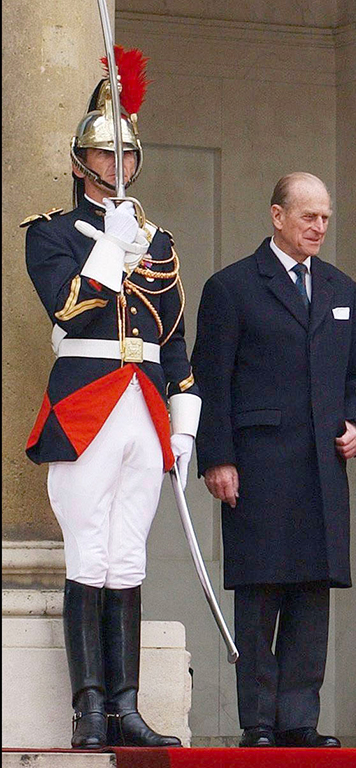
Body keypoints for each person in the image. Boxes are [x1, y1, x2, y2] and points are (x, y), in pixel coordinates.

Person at [23, 50, 198, 748]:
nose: (117, 165)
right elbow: (69, 308)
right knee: (87, 555)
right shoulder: (51, 234)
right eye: (104, 154)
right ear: (80, 163)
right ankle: (88, 709)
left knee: (128, 557)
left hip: (145, 407)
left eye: (125, 154)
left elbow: (175, 342)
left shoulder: (160, 243)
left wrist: (184, 424)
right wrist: (109, 247)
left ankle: (125, 707)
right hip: (87, 404)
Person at [191, 172, 356, 749]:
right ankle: (259, 723)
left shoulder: (342, 289)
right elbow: (210, 381)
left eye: (325, 217)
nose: (319, 227)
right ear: (277, 216)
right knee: (261, 590)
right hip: (259, 465)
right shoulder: (232, 287)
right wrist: (217, 458)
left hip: (322, 466)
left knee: (312, 592)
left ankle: (299, 720)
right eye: (308, 216)